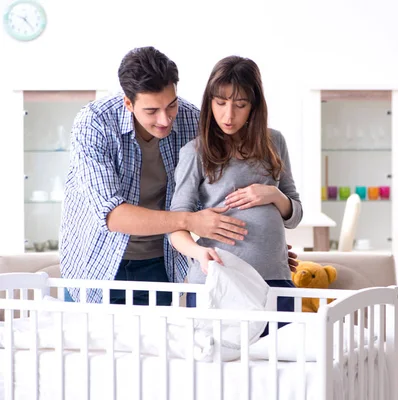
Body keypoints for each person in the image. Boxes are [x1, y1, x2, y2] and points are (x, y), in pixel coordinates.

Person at [59, 47, 296, 305]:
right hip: (98, 263)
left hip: (160, 265)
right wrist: (191, 221)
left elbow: (214, 193)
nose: (165, 119)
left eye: (171, 105)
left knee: (156, 345)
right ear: (128, 102)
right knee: (89, 344)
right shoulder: (95, 123)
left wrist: (263, 249)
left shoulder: (192, 121)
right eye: (151, 111)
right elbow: (112, 215)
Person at [169, 55, 302, 316]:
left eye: (240, 105)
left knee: (282, 355)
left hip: (274, 277)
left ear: (254, 106)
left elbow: (294, 216)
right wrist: (199, 253)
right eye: (220, 103)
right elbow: (176, 226)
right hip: (219, 279)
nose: (228, 115)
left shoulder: (275, 143)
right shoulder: (195, 152)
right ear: (210, 102)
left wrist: (274, 194)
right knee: (221, 356)